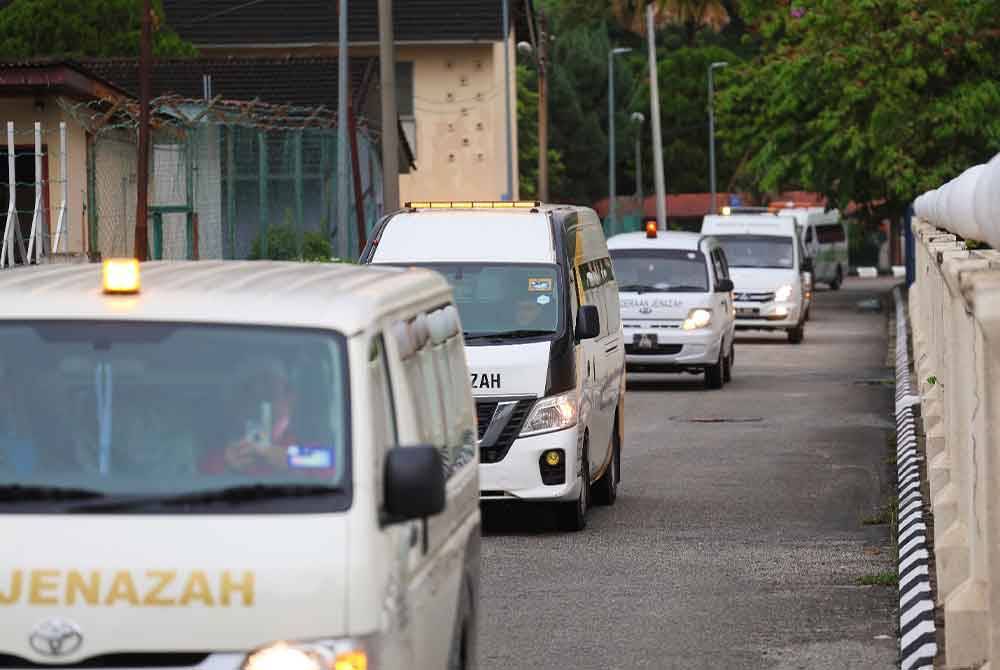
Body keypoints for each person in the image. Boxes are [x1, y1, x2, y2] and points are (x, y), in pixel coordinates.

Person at [199, 358, 299, 475]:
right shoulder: (218, 445)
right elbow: (192, 477)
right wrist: (226, 462)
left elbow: (323, 462)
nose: (260, 404)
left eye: (269, 393)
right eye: (251, 395)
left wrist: (293, 460)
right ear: (235, 403)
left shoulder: (308, 439)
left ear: (290, 398)